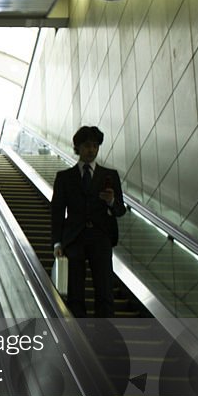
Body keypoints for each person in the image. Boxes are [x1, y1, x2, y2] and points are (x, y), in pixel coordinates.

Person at [50, 125, 126, 318]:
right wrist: (57, 242)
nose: (91, 150)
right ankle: (79, 337)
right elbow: (57, 212)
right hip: (74, 239)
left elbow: (120, 210)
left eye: (95, 146)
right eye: (86, 146)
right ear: (78, 148)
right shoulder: (64, 178)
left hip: (101, 238)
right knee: (75, 292)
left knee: (105, 290)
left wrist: (111, 201)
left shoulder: (110, 176)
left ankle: (105, 338)